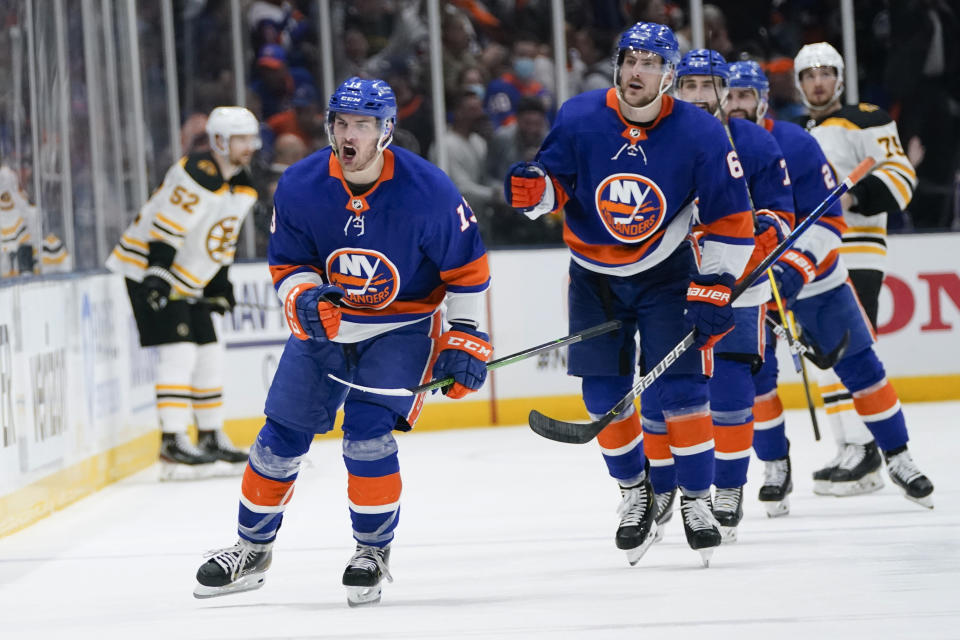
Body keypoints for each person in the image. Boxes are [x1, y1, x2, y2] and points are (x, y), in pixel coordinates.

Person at [194, 78, 491, 606]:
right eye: (340, 123)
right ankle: (251, 549)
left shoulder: (429, 191)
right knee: (280, 436)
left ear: (386, 131)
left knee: (367, 435)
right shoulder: (302, 184)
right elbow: (289, 263)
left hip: (402, 326)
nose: (348, 134)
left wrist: (464, 337)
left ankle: (372, 551)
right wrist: (305, 297)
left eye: (362, 124)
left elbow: (467, 271)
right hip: (327, 328)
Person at [505, 23, 753, 567]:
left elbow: (733, 220)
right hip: (594, 277)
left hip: (666, 274)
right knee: (602, 397)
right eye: (628, 60)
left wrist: (715, 283)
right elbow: (555, 183)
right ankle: (634, 493)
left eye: (649, 62)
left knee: (683, 392)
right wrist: (534, 193)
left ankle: (696, 500)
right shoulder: (579, 115)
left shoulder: (702, 134)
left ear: (670, 76)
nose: (635, 71)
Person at [727, 60, 934, 510]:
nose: (737, 104)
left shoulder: (797, 142)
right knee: (756, 378)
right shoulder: (709, 148)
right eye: (731, 94)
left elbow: (829, 218)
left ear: (764, 98)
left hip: (817, 278)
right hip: (749, 286)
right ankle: (775, 465)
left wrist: (796, 266)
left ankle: (898, 455)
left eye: (747, 95)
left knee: (860, 364)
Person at [669, 49, 795, 543]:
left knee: (732, 383)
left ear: (725, 91)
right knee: (673, 391)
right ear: (675, 88)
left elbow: (782, 213)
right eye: (690, 85)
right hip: (675, 283)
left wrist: (757, 238)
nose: (700, 96)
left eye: (709, 85)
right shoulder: (657, 142)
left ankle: (728, 487)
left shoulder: (755, 145)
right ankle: (666, 489)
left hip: (739, 284)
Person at [793, 42, 920, 497]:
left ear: (840, 79)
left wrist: (855, 196)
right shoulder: (797, 132)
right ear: (798, 83)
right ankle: (848, 445)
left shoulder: (866, 118)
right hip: (813, 254)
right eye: (809, 75)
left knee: (850, 348)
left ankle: (867, 447)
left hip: (858, 250)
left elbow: (902, 175)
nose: (818, 81)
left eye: (827, 73)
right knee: (821, 351)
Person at [106, 107, 259, 480]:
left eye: (251, 138)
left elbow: (221, 240)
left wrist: (219, 283)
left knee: (209, 350)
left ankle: (209, 435)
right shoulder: (196, 173)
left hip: (187, 279)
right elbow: (166, 227)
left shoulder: (242, 184)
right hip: (148, 270)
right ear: (220, 141)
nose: (250, 147)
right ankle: (172, 439)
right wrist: (157, 275)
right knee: (180, 351)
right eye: (240, 139)